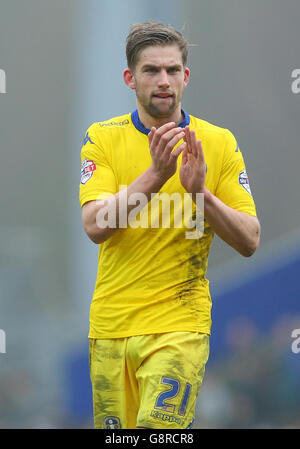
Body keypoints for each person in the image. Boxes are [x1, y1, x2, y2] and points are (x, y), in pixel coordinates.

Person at [79, 20, 260, 429]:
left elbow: (249, 239)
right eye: (151, 71)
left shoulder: (217, 142)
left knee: (157, 432)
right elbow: (94, 225)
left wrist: (201, 194)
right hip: (111, 328)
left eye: (172, 70)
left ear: (186, 76)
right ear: (130, 78)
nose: (163, 81)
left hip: (179, 324)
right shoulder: (102, 139)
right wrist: (156, 175)